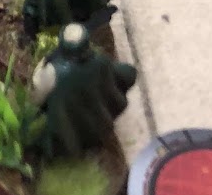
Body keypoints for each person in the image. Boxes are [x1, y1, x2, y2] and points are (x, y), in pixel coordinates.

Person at [30, 24, 138, 161]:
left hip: (67, 130)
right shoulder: (101, 62)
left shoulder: (52, 72)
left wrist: (43, 63)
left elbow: (36, 97)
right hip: (98, 124)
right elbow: (127, 74)